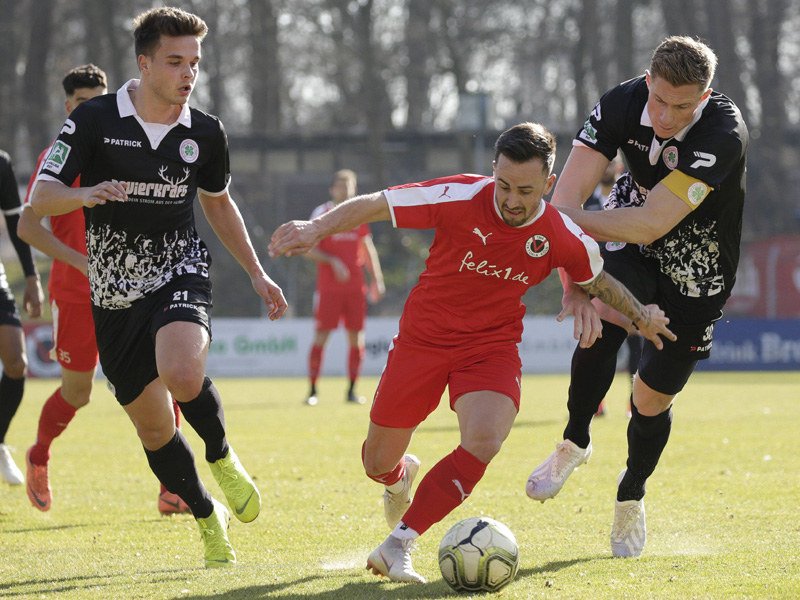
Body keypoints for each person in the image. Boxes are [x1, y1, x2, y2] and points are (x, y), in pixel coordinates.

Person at [269, 122, 675, 583]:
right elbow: (379, 204)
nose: (511, 200)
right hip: (422, 342)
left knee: (484, 440)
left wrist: (643, 316)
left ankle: (399, 543)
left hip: (490, 347)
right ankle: (400, 477)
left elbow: (597, 279)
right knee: (376, 463)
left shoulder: (560, 233)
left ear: (548, 183)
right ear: (493, 172)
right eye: (503, 185)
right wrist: (318, 227)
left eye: (525, 189)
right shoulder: (459, 196)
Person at [30, 7, 287, 568]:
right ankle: (205, 515)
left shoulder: (206, 131)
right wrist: (86, 191)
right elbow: (40, 200)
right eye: (175, 61)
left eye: (194, 62)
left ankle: (221, 455)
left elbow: (218, 204)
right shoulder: (94, 119)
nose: (187, 73)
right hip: (113, 294)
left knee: (182, 371)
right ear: (144, 64)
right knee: (153, 429)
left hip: (179, 268)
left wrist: (255, 270)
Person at [525, 36, 747, 559]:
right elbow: (567, 196)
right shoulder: (621, 102)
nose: (667, 116)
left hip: (698, 262)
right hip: (629, 233)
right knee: (603, 312)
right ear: (648, 81)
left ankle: (631, 493)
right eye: (659, 100)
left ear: (705, 95)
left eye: (682, 105)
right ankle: (575, 441)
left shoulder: (724, 131)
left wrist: (558, 225)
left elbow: (649, 224)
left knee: (650, 400)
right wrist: (574, 282)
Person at [19, 64, 189, 516]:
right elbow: (27, 226)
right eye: (82, 102)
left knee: (159, 381)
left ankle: (172, 489)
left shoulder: (129, 150)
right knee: (78, 393)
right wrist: (80, 262)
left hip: (133, 291)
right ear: (68, 107)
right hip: (76, 295)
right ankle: (38, 454)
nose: (92, 108)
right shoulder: (55, 158)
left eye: (99, 98)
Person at [303, 169, 385, 406]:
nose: (345, 189)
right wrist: (332, 261)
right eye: (340, 185)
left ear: (355, 189)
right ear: (332, 189)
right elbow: (307, 248)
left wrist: (376, 279)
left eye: (349, 185)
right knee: (321, 336)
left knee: (356, 338)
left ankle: (351, 390)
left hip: (355, 288)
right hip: (329, 288)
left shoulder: (359, 213)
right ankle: (312, 391)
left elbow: (367, 247)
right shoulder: (322, 213)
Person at [583, 155, 642, 417]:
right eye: (602, 164)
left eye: (610, 164)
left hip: (630, 280)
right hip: (598, 282)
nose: (605, 168)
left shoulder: (631, 195)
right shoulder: (587, 201)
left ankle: (635, 402)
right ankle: (595, 403)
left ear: (618, 166)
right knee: (598, 345)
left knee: (636, 346)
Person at [0, 149, 44, 485]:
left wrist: (32, 278)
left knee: (16, 363)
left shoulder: (2, 162)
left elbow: (16, 223)